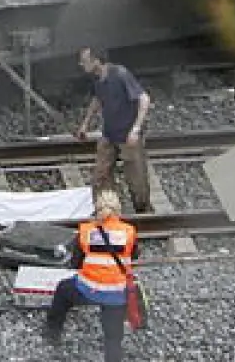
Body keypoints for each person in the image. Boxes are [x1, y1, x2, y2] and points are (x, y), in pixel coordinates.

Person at [44, 189, 138, 362]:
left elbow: (75, 263)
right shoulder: (129, 232)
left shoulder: (87, 231)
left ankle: (52, 334)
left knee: (63, 290)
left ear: (97, 209)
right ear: (118, 210)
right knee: (113, 337)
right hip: (116, 293)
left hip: (88, 289)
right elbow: (135, 256)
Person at [76, 47, 154, 214]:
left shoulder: (120, 74)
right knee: (101, 175)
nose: (81, 64)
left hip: (128, 134)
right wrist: (85, 124)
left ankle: (143, 212)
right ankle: (107, 210)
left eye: (84, 61)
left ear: (96, 60)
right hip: (109, 134)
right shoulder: (97, 79)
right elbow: (97, 99)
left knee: (136, 179)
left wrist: (136, 129)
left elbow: (144, 99)